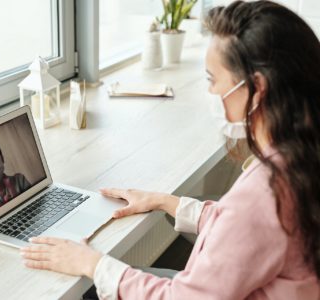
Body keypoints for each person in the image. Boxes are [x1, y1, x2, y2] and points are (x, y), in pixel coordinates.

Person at [19, 1, 320, 299]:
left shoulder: (264, 192)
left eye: (213, 80)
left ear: (258, 89)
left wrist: (92, 264)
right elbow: (248, 231)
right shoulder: (301, 155)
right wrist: (166, 202)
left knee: (87, 292)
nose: (211, 92)